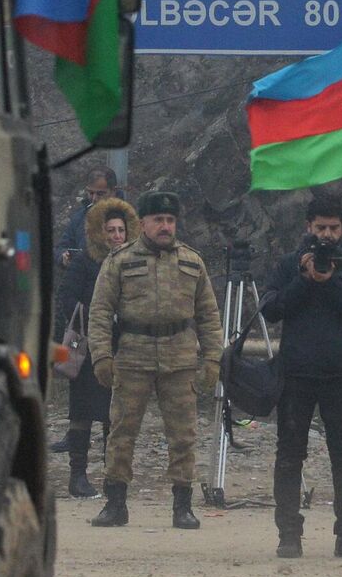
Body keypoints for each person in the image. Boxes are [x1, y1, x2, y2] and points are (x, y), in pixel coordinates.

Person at [88, 190, 224, 529]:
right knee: (121, 431)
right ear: (144, 223)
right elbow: (101, 311)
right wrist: (101, 356)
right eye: (158, 220)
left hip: (179, 357)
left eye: (170, 220)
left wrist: (213, 359)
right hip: (133, 356)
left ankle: (182, 505)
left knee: (183, 435)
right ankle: (115, 502)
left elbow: (208, 314)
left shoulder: (192, 261)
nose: (165, 226)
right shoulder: (119, 260)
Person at [262, 194, 342, 560]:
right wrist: (305, 280)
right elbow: (272, 309)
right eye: (321, 227)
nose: (327, 235)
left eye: (334, 228)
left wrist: (330, 281)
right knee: (290, 455)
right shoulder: (288, 264)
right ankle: (288, 533)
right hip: (296, 374)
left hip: (340, 375)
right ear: (308, 226)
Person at [54, 196, 137, 498]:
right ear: (100, 232)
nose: (116, 236)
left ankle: (112, 476)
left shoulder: (133, 262)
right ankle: (78, 475)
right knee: (83, 413)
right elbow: (67, 297)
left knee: (114, 415)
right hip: (88, 347)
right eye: (111, 230)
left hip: (122, 347)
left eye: (120, 230)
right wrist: (95, 316)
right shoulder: (85, 261)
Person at [57, 167, 119, 270]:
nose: (94, 198)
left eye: (100, 194)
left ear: (113, 191)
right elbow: (61, 247)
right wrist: (64, 257)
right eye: (91, 193)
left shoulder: (129, 217)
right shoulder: (79, 218)